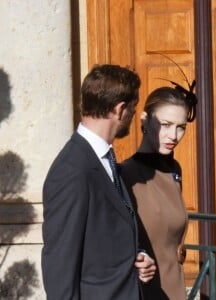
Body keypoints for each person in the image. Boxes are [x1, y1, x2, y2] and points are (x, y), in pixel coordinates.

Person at [41, 64, 156, 300]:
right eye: (133, 109)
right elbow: (59, 263)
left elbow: (105, 235)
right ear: (120, 109)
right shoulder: (72, 170)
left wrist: (139, 256)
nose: (134, 116)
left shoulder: (105, 159)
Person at [121, 85, 197, 300]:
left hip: (175, 287)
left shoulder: (174, 170)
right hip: (143, 291)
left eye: (181, 127)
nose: (173, 135)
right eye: (165, 125)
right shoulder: (126, 175)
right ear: (144, 120)